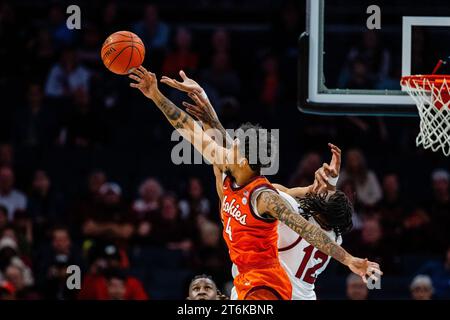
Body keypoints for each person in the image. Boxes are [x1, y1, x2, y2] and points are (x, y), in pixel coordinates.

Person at [128, 66, 381, 300]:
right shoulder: (227, 169)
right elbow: (187, 127)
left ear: (245, 159)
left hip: (267, 285)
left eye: (236, 145)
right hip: (247, 281)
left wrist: (350, 260)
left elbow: (309, 231)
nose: (230, 143)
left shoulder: (265, 197)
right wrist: (156, 94)